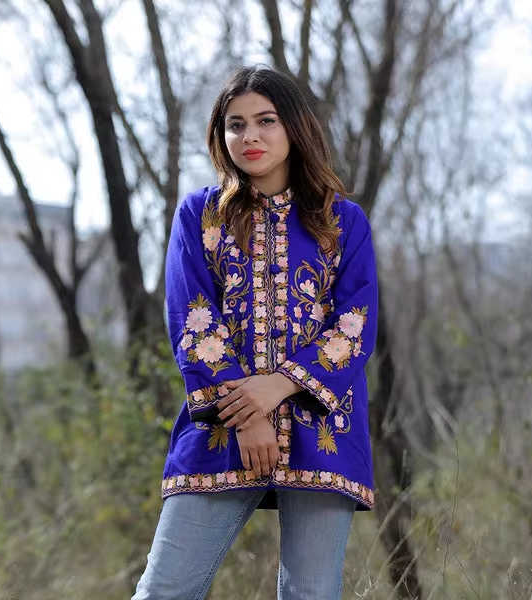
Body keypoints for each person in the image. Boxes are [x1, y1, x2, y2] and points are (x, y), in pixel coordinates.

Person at [131, 64, 378, 600]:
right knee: (163, 590)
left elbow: (354, 325)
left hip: (322, 431)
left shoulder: (343, 221)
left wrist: (278, 386)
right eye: (235, 124)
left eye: (266, 120)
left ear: (294, 126)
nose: (250, 136)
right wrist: (249, 415)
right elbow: (194, 322)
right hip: (220, 428)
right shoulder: (199, 217)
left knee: (311, 594)